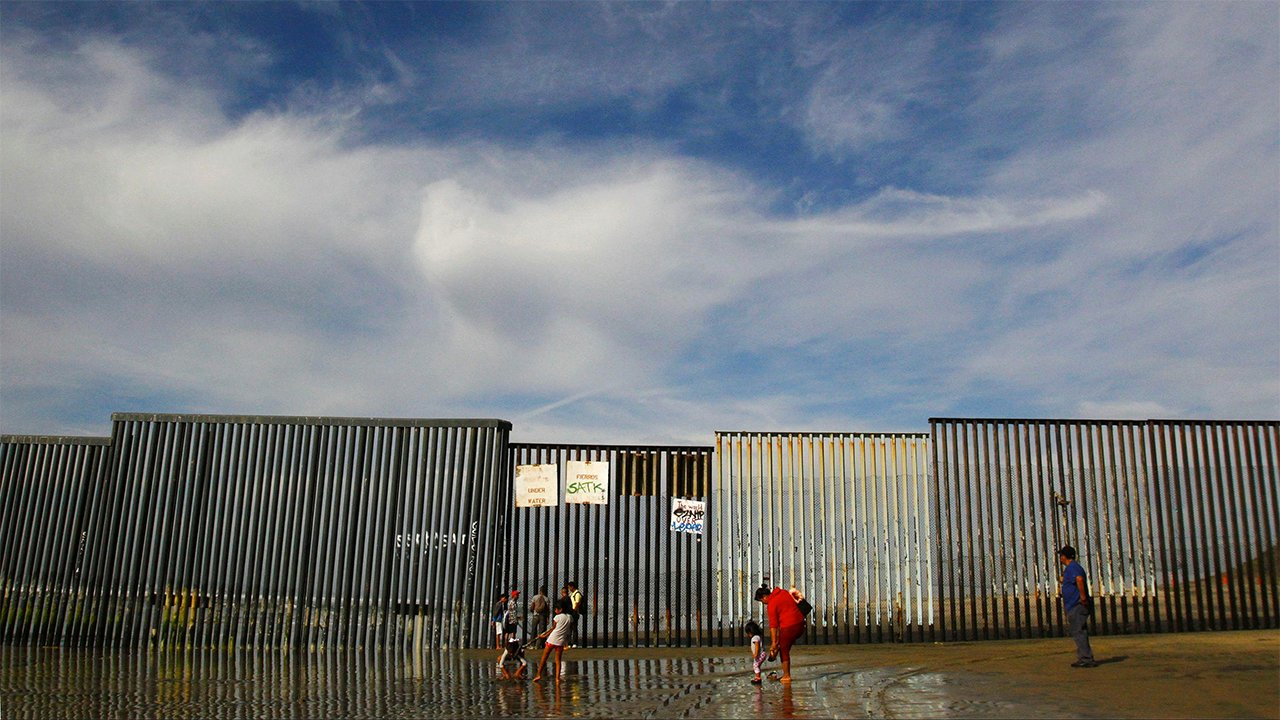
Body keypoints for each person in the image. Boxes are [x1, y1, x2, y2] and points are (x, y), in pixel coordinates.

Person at [754, 583, 805, 683]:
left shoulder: (771, 604)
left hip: (789, 626)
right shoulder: (783, 592)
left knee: (784, 651)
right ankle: (777, 647)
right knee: (783, 644)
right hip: (800, 624)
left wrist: (773, 642)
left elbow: (773, 626)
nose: (764, 603)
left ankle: (786, 676)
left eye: (762, 601)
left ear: (764, 597)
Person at [1059, 545, 1097, 668]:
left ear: (1064, 557)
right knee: (1079, 631)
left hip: (1077, 604)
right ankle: (1084, 657)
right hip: (1074, 604)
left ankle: (1086, 658)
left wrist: (1083, 597)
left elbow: (1079, 579)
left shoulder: (1073, 567)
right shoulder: (1071, 568)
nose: (1060, 558)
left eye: (1061, 555)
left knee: (1078, 631)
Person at [532, 598, 573, 683]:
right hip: (560, 642)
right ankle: (557, 678)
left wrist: (544, 636)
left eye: (556, 609)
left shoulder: (557, 617)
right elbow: (569, 628)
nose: (555, 611)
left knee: (544, 658)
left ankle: (538, 674)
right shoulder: (569, 617)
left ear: (560, 609)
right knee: (558, 661)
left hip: (552, 640)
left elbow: (552, 629)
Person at [745, 620, 768, 684]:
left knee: (755, 665)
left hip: (760, 654)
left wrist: (756, 654)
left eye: (748, 633)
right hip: (762, 654)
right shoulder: (758, 636)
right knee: (757, 665)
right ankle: (758, 677)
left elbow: (757, 646)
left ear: (751, 632)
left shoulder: (754, 638)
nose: (748, 635)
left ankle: (758, 678)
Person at [566, 581, 584, 647]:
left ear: (572, 587)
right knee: (570, 628)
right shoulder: (572, 594)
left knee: (574, 627)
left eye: (569, 587)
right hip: (572, 612)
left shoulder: (577, 594)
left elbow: (577, 603)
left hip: (575, 612)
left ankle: (574, 643)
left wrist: (574, 610)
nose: (569, 589)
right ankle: (570, 642)